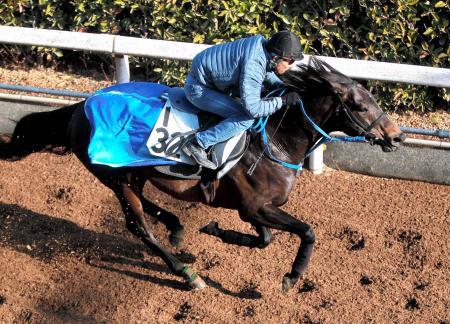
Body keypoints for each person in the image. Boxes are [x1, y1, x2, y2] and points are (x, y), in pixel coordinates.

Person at [183, 30, 303, 169]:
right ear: (275, 58)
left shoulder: (262, 49)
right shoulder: (254, 62)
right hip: (198, 89)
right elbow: (253, 109)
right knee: (245, 118)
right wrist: (282, 101)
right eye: (290, 60)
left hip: (209, 82)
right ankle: (197, 143)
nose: (292, 65)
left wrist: (281, 87)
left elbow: (264, 73)